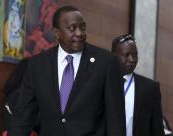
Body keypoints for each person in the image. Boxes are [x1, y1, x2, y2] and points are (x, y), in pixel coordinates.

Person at [7, 6, 126, 136]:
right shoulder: (37, 65)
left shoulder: (106, 62)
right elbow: (23, 116)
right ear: (57, 33)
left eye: (82, 27)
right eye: (72, 28)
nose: (79, 33)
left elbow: (115, 119)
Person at [111, 34, 165, 136]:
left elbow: (157, 128)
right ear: (114, 55)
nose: (132, 59)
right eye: (126, 55)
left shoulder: (150, 88)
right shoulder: (102, 83)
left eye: (135, 55)